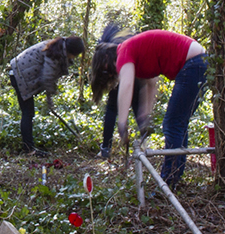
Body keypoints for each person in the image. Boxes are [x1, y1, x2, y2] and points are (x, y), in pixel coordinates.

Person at [90, 25, 209, 189]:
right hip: (199, 62)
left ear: (105, 61)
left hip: (193, 63)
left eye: (109, 72)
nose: (112, 74)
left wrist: (122, 124)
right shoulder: (136, 54)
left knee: (173, 124)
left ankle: (169, 181)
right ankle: (175, 178)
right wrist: (144, 116)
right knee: (178, 124)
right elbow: (150, 85)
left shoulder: (123, 51)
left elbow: (127, 85)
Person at [8, 35, 85, 154]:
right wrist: (49, 99)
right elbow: (48, 77)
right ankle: (29, 149)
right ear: (71, 52)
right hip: (19, 74)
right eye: (76, 55)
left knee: (28, 112)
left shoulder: (58, 47)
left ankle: (28, 147)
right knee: (28, 113)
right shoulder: (54, 53)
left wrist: (50, 96)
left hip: (19, 72)